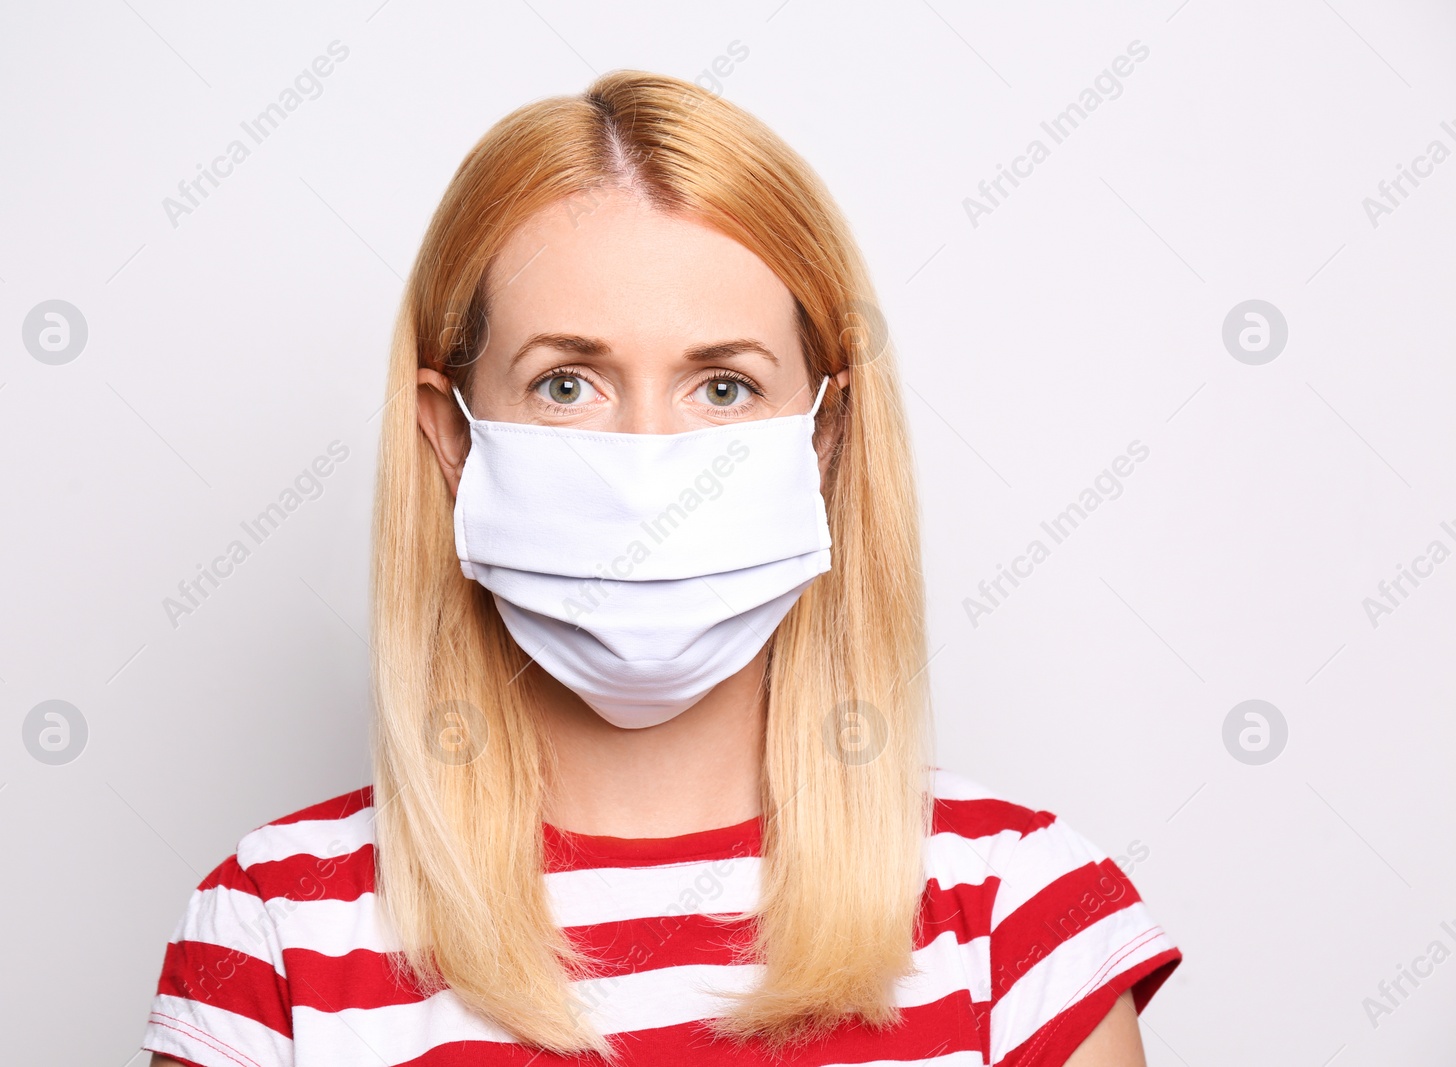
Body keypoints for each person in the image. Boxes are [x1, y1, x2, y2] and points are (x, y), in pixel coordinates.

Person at [140, 69, 1181, 1067]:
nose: (648, 467)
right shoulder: (270, 935)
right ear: (449, 441)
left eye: (723, 387)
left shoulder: (1020, 920)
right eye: (565, 384)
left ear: (824, 438)